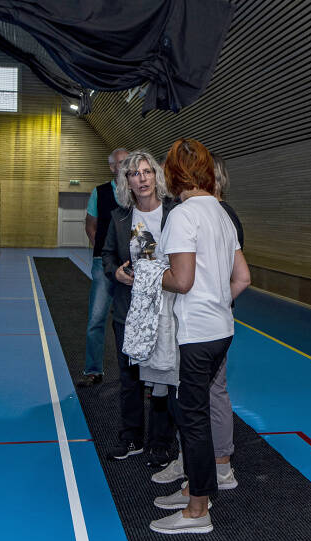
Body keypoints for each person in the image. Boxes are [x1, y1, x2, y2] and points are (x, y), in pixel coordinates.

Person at [150, 138, 250, 535]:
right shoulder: (222, 214)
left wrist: (150, 274)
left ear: (173, 175)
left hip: (197, 333)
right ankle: (196, 488)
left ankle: (197, 511)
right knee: (198, 412)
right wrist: (218, 302)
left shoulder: (183, 215)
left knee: (191, 418)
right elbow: (242, 277)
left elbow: (182, 280)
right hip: (222, 329)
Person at [101, 151, 178, 460]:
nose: (142, 178)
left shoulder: (174, 213)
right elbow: (107, 254)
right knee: (129, 376)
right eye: (134, 174)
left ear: (156, 176)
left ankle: (161, 442)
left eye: (147, 171)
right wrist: (116, 273)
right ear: (127, 181)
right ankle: (131, 438)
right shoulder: (120, 217)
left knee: (163, 377)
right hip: (129, 308)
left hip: (167, 308)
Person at [76, 147, 128, 388]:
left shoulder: (137, 192)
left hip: (130, 266)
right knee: (97, 318)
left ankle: (135, 374)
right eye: (121, 162)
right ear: (112, 167)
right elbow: (90, 225)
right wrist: (102, 250)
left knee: (131, 321)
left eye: (128, 161)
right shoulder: (100, 192)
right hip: (103, 264)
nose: (125, 166)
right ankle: (93, 370)